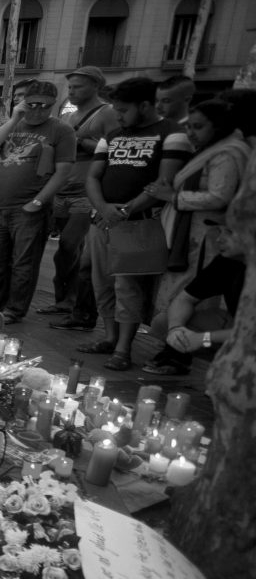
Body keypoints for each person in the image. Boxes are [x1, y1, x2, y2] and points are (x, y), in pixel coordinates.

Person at [79, 76, 194, 371]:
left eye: (123, 110)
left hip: (138, 224)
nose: (117, 115)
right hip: (103, 220)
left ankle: (123, 349)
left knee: (127, 287)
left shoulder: (172, 133)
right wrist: (104, 208)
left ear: (145, 105)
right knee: (100, 281)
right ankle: (108, 337)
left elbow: (163, 181)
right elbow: (93, 176)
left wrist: (126, 210)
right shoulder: (114, 135)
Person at [0, 79, 76, 325]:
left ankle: (14, 309)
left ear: (52, 105)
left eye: (44, 106)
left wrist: (39, 201)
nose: (37, 110)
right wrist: (12, 120)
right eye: (31, 104)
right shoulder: (12, 124)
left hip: (28, 208)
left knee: (24, 263)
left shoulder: (61, 131)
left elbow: (63, 171)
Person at [147, 99, 243, 316]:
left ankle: (184, 343)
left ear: (218, 126)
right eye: (188, 126)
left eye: (198, 127)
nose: (190, 132)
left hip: (206, 237)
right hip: (194, 233)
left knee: (192, 294)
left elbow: (219, 196)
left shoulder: (226, 153)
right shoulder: (210, 150)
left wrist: (173, 196)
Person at [41, 66, 117, 330]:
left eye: (77, 87)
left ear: (96, 86)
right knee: (63, 254)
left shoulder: (107, 113)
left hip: (85, 193)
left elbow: (115, 149)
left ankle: (81, 310)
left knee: (73, 248)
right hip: (63, 190)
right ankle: (63, 301)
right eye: (70, 87)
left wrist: (81, 143)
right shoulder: (71, 116)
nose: (71, 92)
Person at [144, 218, 244, 376]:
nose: (219, 239)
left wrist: (203, 338)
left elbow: (250, 333)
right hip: (235, 329)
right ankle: (179, 359)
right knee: (163, 322)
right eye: (220, 231)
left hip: (247, 337)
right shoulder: (228, 261)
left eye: (229, 233)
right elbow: (184, 299)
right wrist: (176, 329)